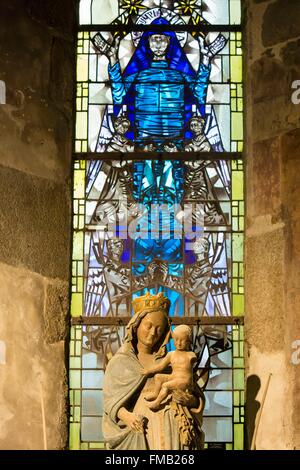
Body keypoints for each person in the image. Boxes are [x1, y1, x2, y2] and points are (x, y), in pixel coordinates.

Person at [92, 18, 226, 150]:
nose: (157, 43)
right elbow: (119, 96)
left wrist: (206, 60)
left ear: (169, 41)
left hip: (175, 139)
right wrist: (112, 58)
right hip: (143, 138)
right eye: (154, 38)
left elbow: (198, 95)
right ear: (147, 42)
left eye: (161, 38)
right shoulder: (139, 75)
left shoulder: (179, 76)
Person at [103, 292, 205, 450]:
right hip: (143, 428)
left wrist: (190, 401)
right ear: (136, 324)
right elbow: (110, 403)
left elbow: (195, 396)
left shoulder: (170, 362)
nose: (152, 333)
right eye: (148, 326)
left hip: (174, 426)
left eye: (159, 329)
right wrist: (127, 416)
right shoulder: (121, 362)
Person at [141, 325, 197, 410]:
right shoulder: (171, 354)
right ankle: (156, 394)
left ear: (188, 342)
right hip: (174, 377)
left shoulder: (191, 355)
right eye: (176, 340)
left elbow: (194, 360)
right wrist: (149, 371)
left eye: (182, 340)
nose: (179, 343)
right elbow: (160, 367)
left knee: (166, 385)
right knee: (158, 377)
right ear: (173, 340)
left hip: (185, 381)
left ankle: (157, 403)